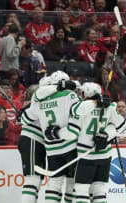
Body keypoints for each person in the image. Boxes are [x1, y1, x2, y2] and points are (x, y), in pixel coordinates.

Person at [58, 82, 124, 203]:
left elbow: (72, 133)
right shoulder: (109, 107)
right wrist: (107, 136)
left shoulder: (81, 108)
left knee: (81, 189)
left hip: (87, 155)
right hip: (105, 155)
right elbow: (120, 124)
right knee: (98, 189)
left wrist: (57, 133)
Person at [20, 71, 79, 203]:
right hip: (36, 138)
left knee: (54, 182)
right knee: (34, 180)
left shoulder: (41, 98)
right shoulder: (65, 94)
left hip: (49, 145)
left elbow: (24, 118)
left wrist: (26, 111)